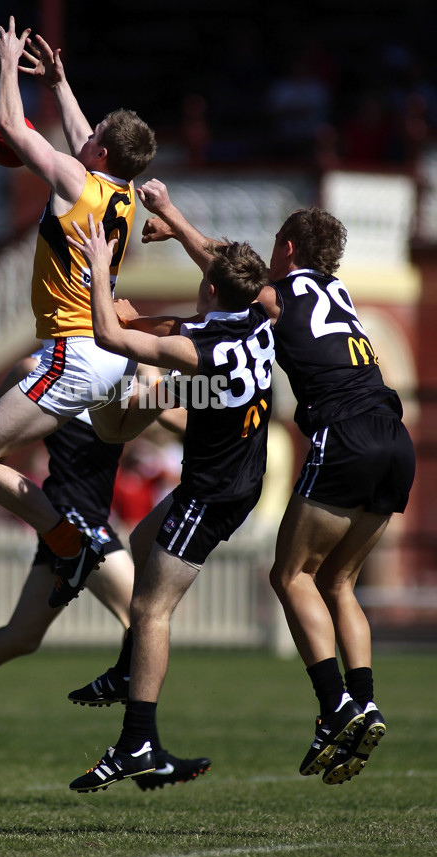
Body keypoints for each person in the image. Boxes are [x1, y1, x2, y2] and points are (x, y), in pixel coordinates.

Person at [137, 179, 416, 786]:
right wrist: (180, 228)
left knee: (290, 575)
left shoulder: (279, 292)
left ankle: (333, 709)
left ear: (287, 247)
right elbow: (231, 261)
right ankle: (363, 703)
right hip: (396, 437)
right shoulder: (335, 289)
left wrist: (169, 215)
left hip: (343, 434)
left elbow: (227, 269)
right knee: (340, 580)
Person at [0, 351, 210, 790]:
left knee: (21, 637)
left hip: (79, 520)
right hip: (70, 523)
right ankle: (144, 749)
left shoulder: (128, 369)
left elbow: (172, 413)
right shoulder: (44, 365)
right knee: (145, 617)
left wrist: (226, 402)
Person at [65, 212, 274, 791]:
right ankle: (123, 672)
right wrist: (181, 230)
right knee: (139, 541)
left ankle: (136, 741)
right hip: (236, 474)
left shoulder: (200, 345)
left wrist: (102, 275)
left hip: (213, 493)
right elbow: (213, 296)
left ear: (209, 287)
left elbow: (110, 337)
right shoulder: (263, 317)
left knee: (151, 609)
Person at [0, 17, 157, 609]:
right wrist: (60, 82)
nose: (84, 134)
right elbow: (83, 140)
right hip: (104, 355)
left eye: (93, 134)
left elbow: (14, 128)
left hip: (72, 352)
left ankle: (68, 544)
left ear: (100, 151)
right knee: (7, 454)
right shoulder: (115, 192)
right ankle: (72, 540)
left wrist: (6, 64)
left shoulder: (77, 180)